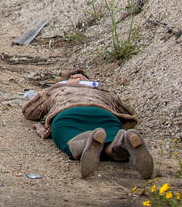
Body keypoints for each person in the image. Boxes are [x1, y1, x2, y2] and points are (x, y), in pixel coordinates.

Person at [23, 70, 153, 178]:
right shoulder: (101, 90)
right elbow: (128, 111)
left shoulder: (59, 88)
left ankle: (88, 140)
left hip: (68, 115)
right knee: (112, 143)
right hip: (104, 115)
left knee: (71, 141)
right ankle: (124, 140)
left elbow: (30, 112)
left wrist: (59, 87)